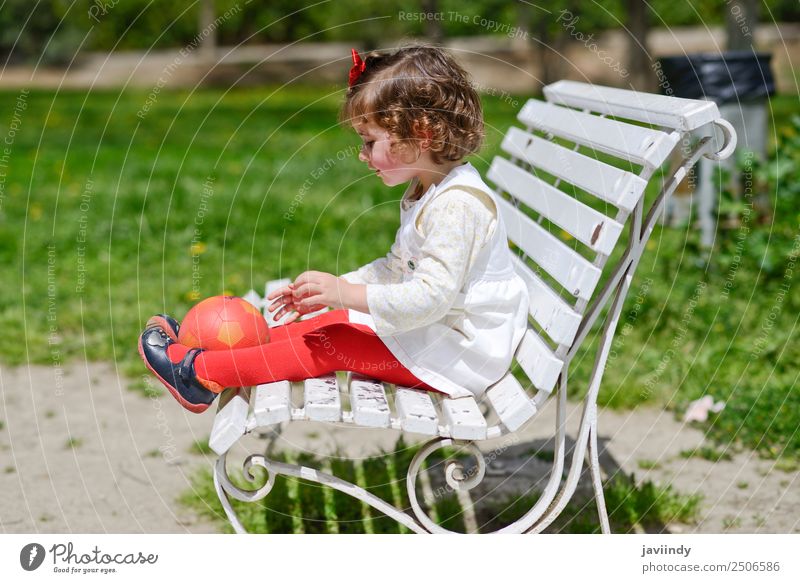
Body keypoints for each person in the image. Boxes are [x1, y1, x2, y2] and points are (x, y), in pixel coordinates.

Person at [138, 44, 529, 413]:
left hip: (461, 354)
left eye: (369, 140)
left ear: (421, 134)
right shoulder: (431, 190)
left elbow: (430, 298)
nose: (362, 154)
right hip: (441, 337)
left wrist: (345, 293)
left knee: (332, 343)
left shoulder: (458, 206)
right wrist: (332, 293)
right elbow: (396, 268)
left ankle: (200, 375)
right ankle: (217, 354)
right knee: (327, 324)